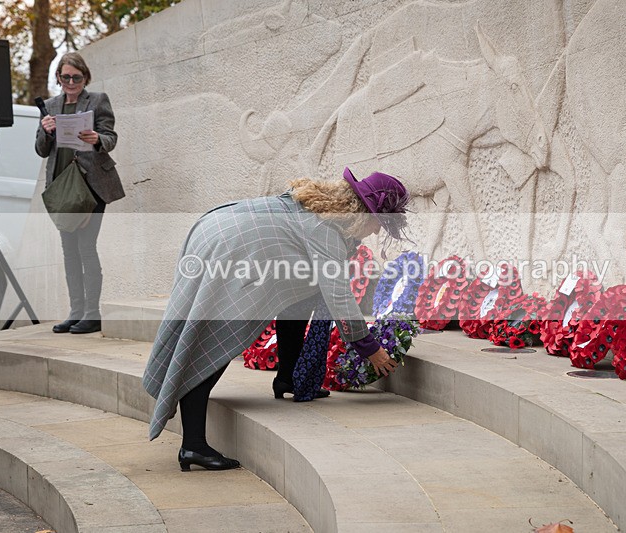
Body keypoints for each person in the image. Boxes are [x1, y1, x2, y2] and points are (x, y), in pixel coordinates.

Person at [143, 168, 409, 471]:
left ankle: (288, 376)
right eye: (380, 222)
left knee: (301, 293)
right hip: (232, 250)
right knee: (211, 344)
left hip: (217, 229)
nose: (376, 232)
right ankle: (193, 445)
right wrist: (368, 347)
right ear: (363, 213)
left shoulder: (320, 207)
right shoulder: (327, 229)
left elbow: (307, 291)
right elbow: (338, 294)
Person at [36, 52, 125, 334]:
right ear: (59, 78)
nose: (71, 81)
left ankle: (92, 313)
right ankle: (75, 312)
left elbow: (110, 139)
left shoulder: (97, 100)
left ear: (85, 77)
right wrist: (46, 131)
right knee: (69, 251)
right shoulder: (50, 105)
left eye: (77, 77)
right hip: (62, 187)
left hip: (91, 185)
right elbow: (41, 150)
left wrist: (97, 138)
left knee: (86, 248)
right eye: (66, 77)